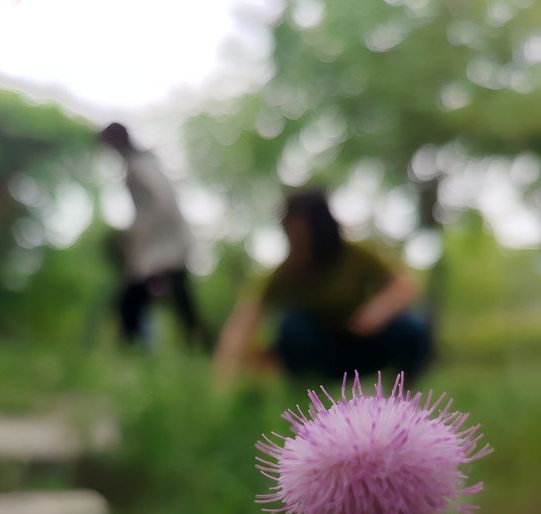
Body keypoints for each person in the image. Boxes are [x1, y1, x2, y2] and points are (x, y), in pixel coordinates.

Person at [214, 188, 432, 383]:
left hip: (364, 342)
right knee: (291, 327)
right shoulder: (284, 272)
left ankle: (406, 393)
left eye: (299, 236)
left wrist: (375, 312)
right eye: (288, 236)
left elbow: (405, 286)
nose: (293, 243)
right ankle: (302, 396)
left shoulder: (355, 255)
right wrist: (224, 376)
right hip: (323, 352)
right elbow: (243, 320)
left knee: (413, 326)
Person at [99, 122, 209, 347]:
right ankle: (197, 342)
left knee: (138, 296)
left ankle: (133, 343)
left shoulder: (138, 166)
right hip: (163, 242)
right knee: (178, 296)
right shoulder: (143, 162)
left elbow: (161, 201)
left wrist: (140, 234)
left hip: (162, 244)